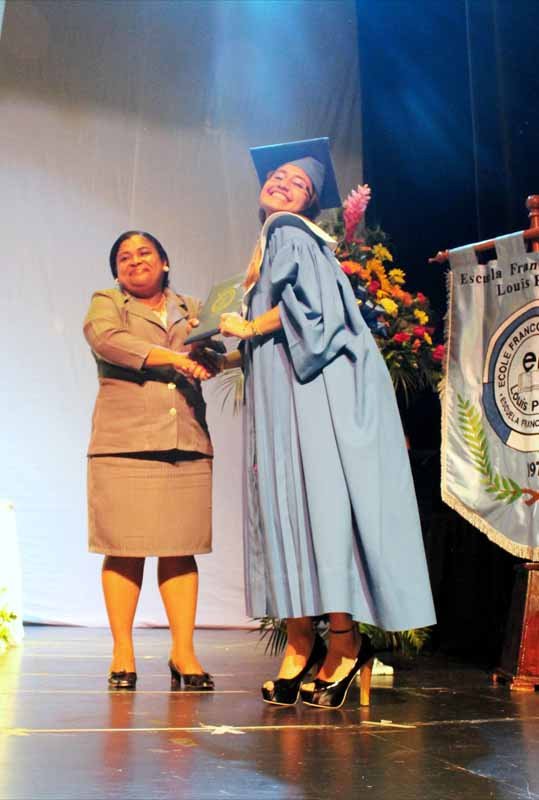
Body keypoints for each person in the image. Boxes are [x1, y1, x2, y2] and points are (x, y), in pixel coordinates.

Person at [219, 138, 436, 709]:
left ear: (309, 204)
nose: (283, 183)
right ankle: (302, 643)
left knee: (315, 507)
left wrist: (249, 328)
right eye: (278, 176)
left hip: (309, 392)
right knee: (293, 508)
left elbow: (316, 313)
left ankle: (341, 642)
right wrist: (231, 353)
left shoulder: (289, 232)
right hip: (287, 389)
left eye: (299, 184)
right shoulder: (272, 242)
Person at [84, 230, 218, 691]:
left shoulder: (193, 307)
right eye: (124, 257)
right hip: (124, 441)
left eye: (145, 253)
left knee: (181, 546)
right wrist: (177, 359)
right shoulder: (107, 302)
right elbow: (108, 341)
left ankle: (184, 652)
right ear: (116, 272)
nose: (135, 261)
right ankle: (123, 651)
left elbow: (216, 353)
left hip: (186, 437)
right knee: (124, 546)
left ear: (165, 262)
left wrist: (212, 357)